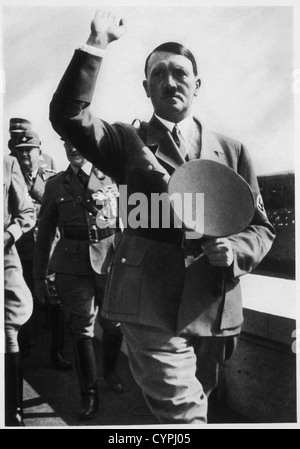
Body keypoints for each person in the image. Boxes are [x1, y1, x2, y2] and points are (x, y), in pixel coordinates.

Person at [49, 10, 275, 424]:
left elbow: (260, 228)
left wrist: (236, 248)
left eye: (180, 73)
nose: (170, 82)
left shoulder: (232, 150)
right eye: (158, 74)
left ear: (197, 84)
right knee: (183, 416)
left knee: (192, 404)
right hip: (147, 302)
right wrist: (96, 43)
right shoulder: (125, 139)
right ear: (146, 87)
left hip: (214, 305)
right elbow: (67, 116)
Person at [33, 139, 124, 421]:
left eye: (79, 143)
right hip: (72, 266)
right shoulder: (55, 184)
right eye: (67, 144)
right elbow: (45, 235)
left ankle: (109, 370)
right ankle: (89, 394)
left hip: (110, 262)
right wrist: (39, 278)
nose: (73, 148)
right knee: (82, 327)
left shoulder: (113, 178)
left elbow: (133, 221)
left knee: (113, 323)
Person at [11, 129, 71, 370]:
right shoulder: (9, 178)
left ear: (39, 151)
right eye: (20, 150)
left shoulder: (52, 178)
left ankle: (58, 351)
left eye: (29, 149)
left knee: (55, 302)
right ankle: (24, 343)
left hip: (50, 250)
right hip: (22, 250)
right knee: (23, 299)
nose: (25, 154)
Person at [3, 154, 35, 426]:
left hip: (3, 258)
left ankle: (13, 410)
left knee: (9, 329)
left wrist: (9, 235)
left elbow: (27, 211)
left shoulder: (7, 163)